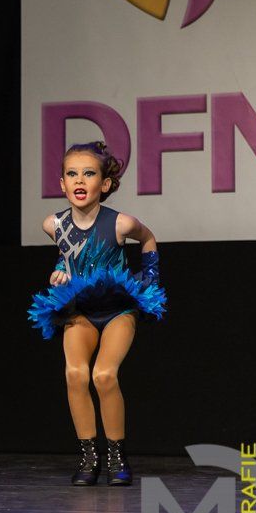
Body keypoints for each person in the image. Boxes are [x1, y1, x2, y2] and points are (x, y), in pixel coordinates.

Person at [28, 141, 165, 486]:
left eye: (88, 174)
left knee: (103, 375)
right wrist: (60, 272)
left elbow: (148, 238)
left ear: (104, 184)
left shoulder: (121, 223)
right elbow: (69, 254)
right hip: (82, 310)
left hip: (118, 309)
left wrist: (149, 281)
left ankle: (117, 456)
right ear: (62, 183)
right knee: (75, 374)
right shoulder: (53, 224)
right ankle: (90, 457)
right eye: (72, 174)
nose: (79, 180)